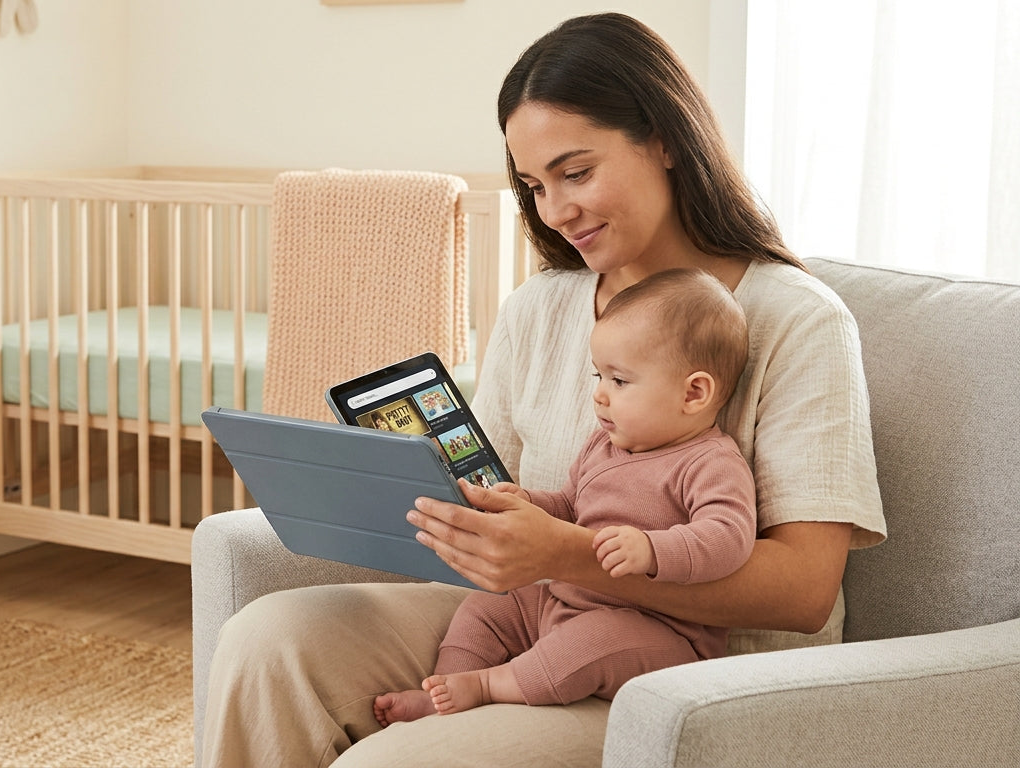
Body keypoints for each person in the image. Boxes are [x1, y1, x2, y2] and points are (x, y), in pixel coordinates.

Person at [202, 12, 886, 768]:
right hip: (538, 618)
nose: (556, 211)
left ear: (662, 139)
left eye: (576, 172)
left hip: (690, 674)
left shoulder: (796, 320)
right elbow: (514, 509)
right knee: (266, 642)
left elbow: (805, 591)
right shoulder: (540, 307)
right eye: (534, 184)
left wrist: (570, 555)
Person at [375, 268, 756, 724]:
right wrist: (529, 503)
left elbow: (728, 537)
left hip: (659, 632)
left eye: (619, 381)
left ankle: (488, 685)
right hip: (566, 600)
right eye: (599, 375)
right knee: (487, 607)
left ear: (694, 392)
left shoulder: (710, 461)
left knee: (592, 643)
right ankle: (444, 689)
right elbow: (570, 507)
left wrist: (653, 550)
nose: (598, 395)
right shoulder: (604, 445)